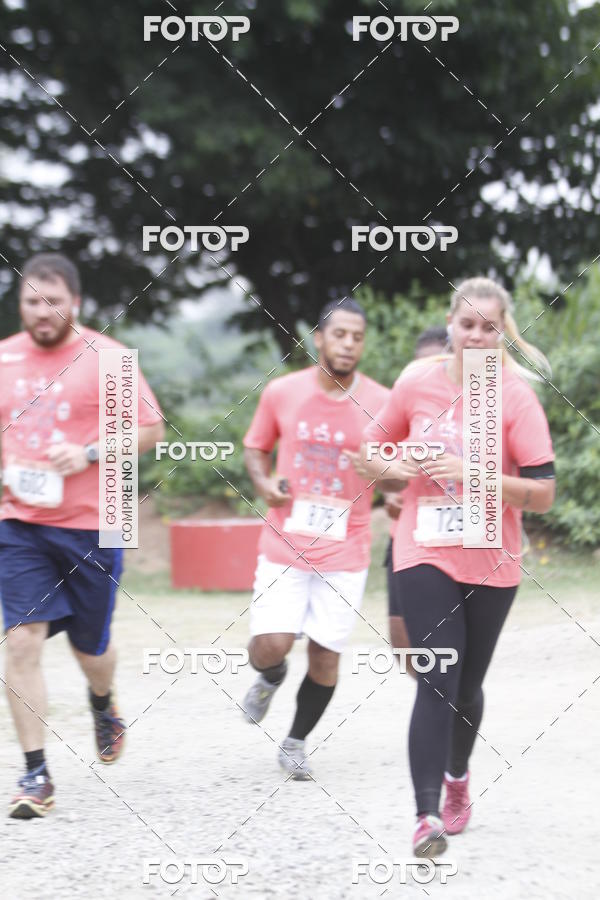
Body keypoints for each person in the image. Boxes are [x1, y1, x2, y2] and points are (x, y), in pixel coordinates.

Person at [362, 277, 555, 857]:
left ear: (502, 335)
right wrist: (394, 464)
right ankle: (425, 819)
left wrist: (472, 473)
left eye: (488, 326)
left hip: (492, 558)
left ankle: (457, 778)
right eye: (466, 323)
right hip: (423, 548)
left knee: (467, 689)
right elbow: (372, 449)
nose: (475, 335)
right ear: (450, 324)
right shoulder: (416, 381)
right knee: (437, 675)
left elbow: (543, 493)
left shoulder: (516, 398)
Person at [1, 253, 165, 819]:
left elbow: (148, 430)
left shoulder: (108, 359)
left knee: (90, 648)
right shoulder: (3, 359)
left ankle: (102, 700)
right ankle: (35, 774)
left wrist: (89, 453)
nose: (41, 313)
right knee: (20, 641)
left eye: (52, 301)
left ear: (75, 302)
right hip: (18, 521)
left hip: (95, 521)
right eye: (30, 301)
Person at [241, 298, 389, 779]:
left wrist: (385, 472)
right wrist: (263, 484)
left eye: (357, 336)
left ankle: (295, 742)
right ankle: (270, 675)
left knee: (326, 655)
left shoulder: (384, 403)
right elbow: (255, 449)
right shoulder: (283, 392)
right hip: (286, 543)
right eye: (339, 334)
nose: (348, 344)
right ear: (318, 338)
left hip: (347, 550)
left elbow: (400, 476)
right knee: (271, 645)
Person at [384, 327, 449, 674]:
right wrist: (391, 493)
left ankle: (448, 708)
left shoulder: (478, 411)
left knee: (451, 658)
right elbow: (380, 466)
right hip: (407, 539)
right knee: (407, 653)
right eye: (421, 366)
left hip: (459, 546)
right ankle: (438, 702)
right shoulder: (403, 408)